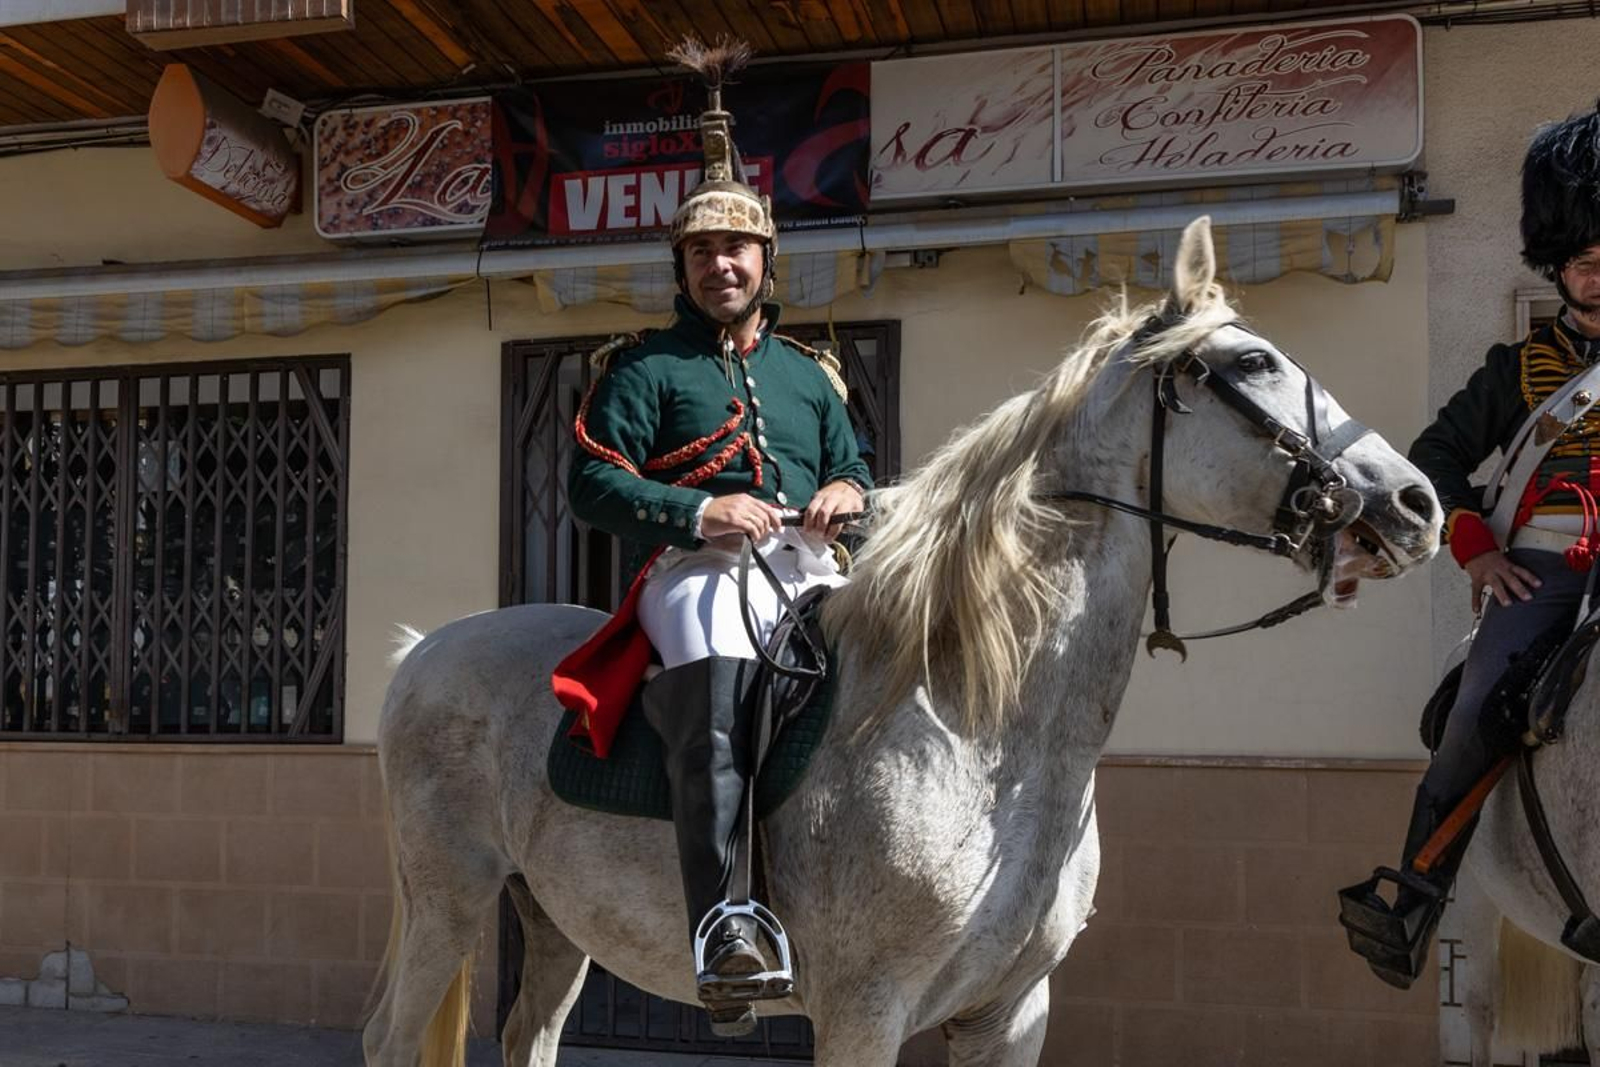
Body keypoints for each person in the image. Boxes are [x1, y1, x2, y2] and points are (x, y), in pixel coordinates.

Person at [560, 39, 871, 1036]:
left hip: (810, 564)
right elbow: (590, 482)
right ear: (683, 265)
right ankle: (725, 924)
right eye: (702, 252)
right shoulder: (642, 368)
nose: (721, 265)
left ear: (765, 260)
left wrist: (841, 493)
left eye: (737, 250)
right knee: (719, 657)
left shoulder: (810, 375)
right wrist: (698, 510)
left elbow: (856, 465)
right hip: (694, 567)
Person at [1340, 102, 1600, 988]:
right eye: (1584, 260)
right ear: (1556, 266)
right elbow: (1433, 463)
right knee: (1474, 707)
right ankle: (1415, 893)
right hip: (1550, 569)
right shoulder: (1517, 371)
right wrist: (1481, 551)